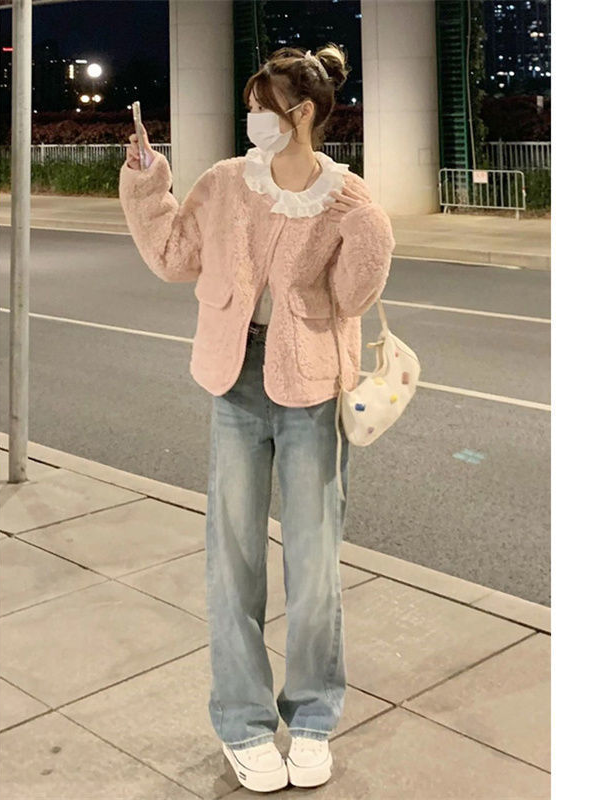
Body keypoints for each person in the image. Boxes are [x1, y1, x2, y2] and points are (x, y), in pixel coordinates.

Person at [120, 44, 395, 792]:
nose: (251, 120)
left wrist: (370, 230)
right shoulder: (223, 183)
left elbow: (355, 297)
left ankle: (312, 717)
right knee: (232, 559)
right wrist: (147, 182)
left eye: (260, 108)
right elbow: (173, 255)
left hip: (312, 386)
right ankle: (242, 721)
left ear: (299, 114)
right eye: (249, 108)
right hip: (235, 380)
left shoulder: (347, 198)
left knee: (315, 562)